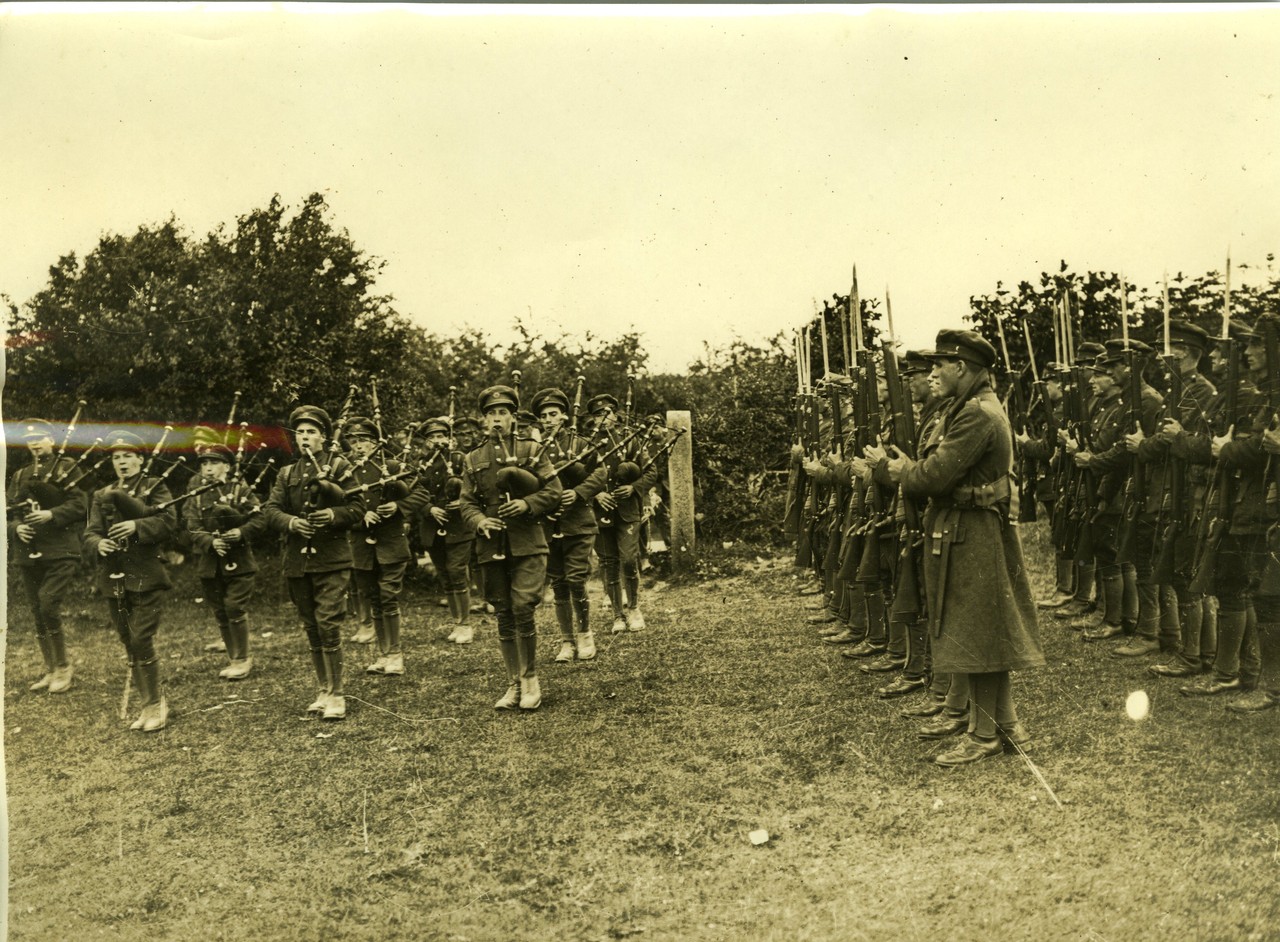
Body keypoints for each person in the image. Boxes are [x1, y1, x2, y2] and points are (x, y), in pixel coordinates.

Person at [869, 329, 1044, 767]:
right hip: (966, 528)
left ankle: (983, 734)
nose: (933, 373)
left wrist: (901, 470)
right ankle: (1004, 723)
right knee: (984, 629)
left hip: (973, 530)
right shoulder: (970, 408)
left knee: (977, 631)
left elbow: (933, 477)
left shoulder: (977, 414)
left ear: (961, 367)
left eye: (938, 365)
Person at [459, 385, 562, 710]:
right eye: (491, 414)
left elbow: (554, 491)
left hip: (528, 543)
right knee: (503, 612)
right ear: (484, 420)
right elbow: (466, 502)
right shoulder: (473, 458)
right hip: (492, 546)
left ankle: (530, 679)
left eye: (503, 412)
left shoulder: (532, 450)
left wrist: (526, 504)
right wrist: (479, 522)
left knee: (522, 608)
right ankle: (513, 683)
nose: (497, 419)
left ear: (513, 417)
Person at [264, 405, 363, 720]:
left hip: (332, 559)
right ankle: (323, 689)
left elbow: (358, 507)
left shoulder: (340, 466)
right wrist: (292, 523)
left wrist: (333, 515)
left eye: (312, 432)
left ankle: (337, 694)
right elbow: (270, 509)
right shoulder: (287, 473)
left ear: (323, 437)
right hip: (298, 562)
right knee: (311, 626)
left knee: (328, 624)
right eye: (301, 433)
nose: (305, 438)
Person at [84, 430, 179, 732]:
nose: (122, 462)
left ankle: (156, 705)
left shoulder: (154, 487)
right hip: (114, 578)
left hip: (147, 576)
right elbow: (90, 533)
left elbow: (168, 522)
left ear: (140, 459)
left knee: (141, 639)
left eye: (128, 456)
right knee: (129, 641)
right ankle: (148, 703)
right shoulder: (101, 495)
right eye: (117, 457)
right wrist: (99, 545)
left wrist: (136, 525)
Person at [8, 418, 89, 694]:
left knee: (47, 604)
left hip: (60, 551)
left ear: (52, 441)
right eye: (30, 438)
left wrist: (51, 514)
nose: (35, 443)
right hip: (29, 553)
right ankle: (51, 668)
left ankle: (64, 667)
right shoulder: (20, 475)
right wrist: (17, 527)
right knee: (37, 612)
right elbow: (10, 511)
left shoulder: (67, 468)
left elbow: (81, 505)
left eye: (41, 437)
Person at [532, 386, 607, 662]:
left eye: (554, 413)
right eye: (544, 415)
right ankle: (566, 641)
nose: (549, 419)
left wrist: (578, 493)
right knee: (559, 583)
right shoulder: (533, 449)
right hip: (548, 525)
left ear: (564, 415)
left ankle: (585, 633)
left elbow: (600, 473)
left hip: (578, 522)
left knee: (576, 579)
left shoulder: (580, 444)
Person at [183, 440, 266, 679]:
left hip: (239, 561)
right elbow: (190, 525)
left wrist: (241, 533)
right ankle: (234, 657)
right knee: (220, 610)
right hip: (210, 562)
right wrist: (209, 542)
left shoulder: (240, 489)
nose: (208, 468)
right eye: (205, 463)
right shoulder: (196, 494)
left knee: (234, 607)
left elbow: (259, 519)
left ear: (227, 467)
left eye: (215, 463)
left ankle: (242, 659)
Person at [342, 415, 414, 677]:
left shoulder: (392, 465)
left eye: (364, 441)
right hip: (361, 545)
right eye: (353, 441)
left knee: (388, 594)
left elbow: (420, 493)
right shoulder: (343, 472)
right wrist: (360, 518)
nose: (359, 446)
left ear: (375, 443)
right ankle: (384, 655)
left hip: (391, 543)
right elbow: (338, 507)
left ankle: (395, 654)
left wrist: (398, 507)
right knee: (373, 597)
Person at [588, 392, 657, 633]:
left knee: (628, 559)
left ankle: (634, 607)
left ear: (616, 416)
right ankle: (618, 615)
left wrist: (633, 487)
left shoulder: (631, 440)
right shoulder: (586, 444)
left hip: (627, 512)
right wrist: (596, 494)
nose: (603, 419)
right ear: (593, 420)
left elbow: (650, 472)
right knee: (607, 562)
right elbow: (577, 477)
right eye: (597, 415)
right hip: (599, 512)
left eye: (607, 413)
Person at [408, 417, 477, 643]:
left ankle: (466, 624)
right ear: (426, 442)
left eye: (441, 436)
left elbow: (474, 486)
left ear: (449, 439)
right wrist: (429, 509)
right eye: (432, 437)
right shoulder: (421, 464)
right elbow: (413, 493)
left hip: (458, 526)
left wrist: (462, 502)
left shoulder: (459, 459)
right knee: (445, 576)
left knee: (457, 571)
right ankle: (457, 622)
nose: (437, 441)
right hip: (432, 526)